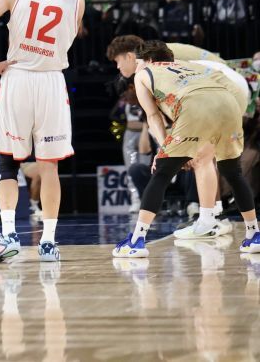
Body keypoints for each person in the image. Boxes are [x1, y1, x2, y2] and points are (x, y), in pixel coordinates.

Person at [0, 0, 84, 263]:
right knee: (50, 167)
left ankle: (8, 236)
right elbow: (69, 37)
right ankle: (48, 242)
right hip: (51, 80)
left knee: (9, 162)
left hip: (17, 77)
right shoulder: (78, 2)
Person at [111, 41, 260, 257]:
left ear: (150, 60)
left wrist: (163, 149)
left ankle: (136, 241)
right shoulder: (188, 65)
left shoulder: (144, 73)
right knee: (233, 172)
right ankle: (254, 235)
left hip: (196, 104)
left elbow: (153, 117)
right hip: (229, 102)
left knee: (161, 173)